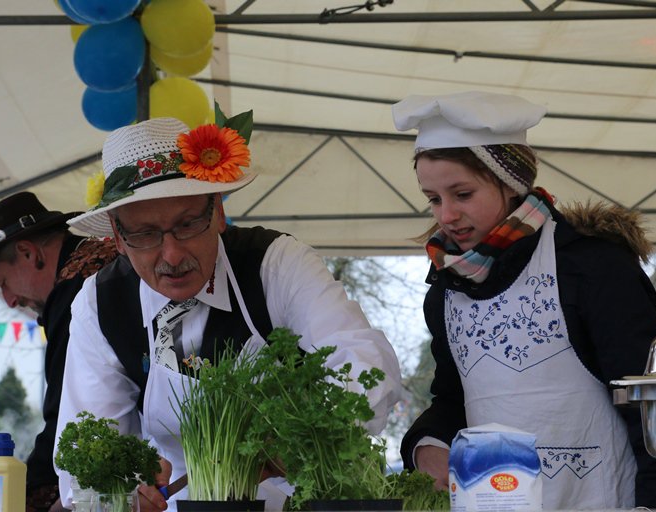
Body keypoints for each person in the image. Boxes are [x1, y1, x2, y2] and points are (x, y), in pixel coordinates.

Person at [54, 116, 403, 511]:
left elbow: (364, 363)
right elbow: (86, 445)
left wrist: (301, 438)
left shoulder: (275, 264)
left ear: (217, 212)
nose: (171, 255)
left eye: (187, 225)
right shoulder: (101, 303)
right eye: (145, 234)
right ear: (118, 238)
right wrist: (125, 492)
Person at [392, 91, 656, 509]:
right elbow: (452, 400)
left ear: (511, 183)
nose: (446, 215)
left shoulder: (591, 266)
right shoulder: (447, 291)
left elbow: (655, 411)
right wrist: (427, 445)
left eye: (462, 194)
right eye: (433, 198)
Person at [0, 192, 117, 512]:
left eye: (3, 282)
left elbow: (64, 414)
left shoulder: (75, 292)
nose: (9, 301)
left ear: (28, 252)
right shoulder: (98, 264)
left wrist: (31, 494)